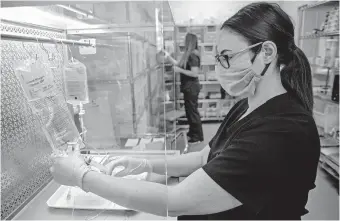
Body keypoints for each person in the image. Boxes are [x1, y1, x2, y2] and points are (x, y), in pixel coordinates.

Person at [50, 2, 321, 220]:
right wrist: (144, 163)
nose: (220, 67)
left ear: (267, 53)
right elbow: (205, 157)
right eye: (218, 58)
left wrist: (82, 177)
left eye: (226, 56)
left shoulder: (284, 131)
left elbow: (175, 201)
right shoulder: (247, 104)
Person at [164, 33, 204, 144]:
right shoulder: (188, 54)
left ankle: (198, 137)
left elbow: (194, 73)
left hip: (192, 87)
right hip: (188, 87)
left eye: (185, 40)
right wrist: (168, 57)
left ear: (189, 41)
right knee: (189, 111)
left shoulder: (193, 55)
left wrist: (180, 71)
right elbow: (179, 65)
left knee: (192, 112)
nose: (183, 41)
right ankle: (192, 133)